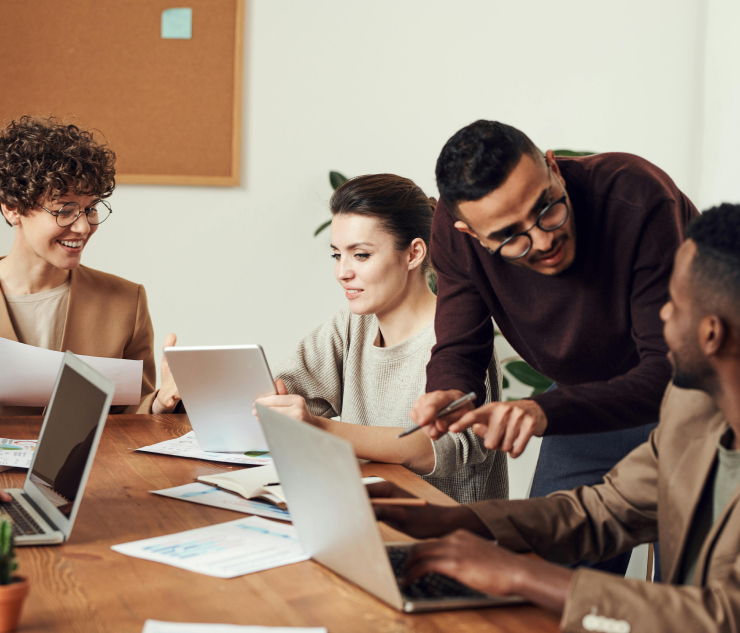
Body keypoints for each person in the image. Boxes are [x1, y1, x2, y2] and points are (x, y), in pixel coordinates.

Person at [370, 204, 740, 631]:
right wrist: (459, 519)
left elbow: (723, 617)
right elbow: (605, 509)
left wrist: (521, 574)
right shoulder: (692, 410)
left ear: (712, 333)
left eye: (674, 303)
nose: (662, 314)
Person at [410, 120, 697, 573]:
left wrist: (543, 412)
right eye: (509, 236)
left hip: (696, 408)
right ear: (471, 234)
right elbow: (459, 346)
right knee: (548, 580)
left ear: (553, 168)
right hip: (585, 410)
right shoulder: (452, 232)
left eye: (547, 208)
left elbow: (670, 369)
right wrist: (448, 390)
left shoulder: (637, 196)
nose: (544, 240)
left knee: (686, 598)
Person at [256, 174, 507, 504]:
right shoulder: (350, 327)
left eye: (360, 255)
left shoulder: (462, 338)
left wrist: (321, 429)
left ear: (414, 254)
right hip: (366, 522)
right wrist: (175, 399)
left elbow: (442, 448)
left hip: (452, 540)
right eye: (337, 255)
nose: (342, 272)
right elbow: (280, 396)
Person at [0, 116, 180, 415]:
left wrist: (160, 402)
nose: (83, 227)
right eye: (65, 210)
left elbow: (133, 414)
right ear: (13, 208)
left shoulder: (126, 301)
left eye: (90, 208)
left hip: (94, 463)